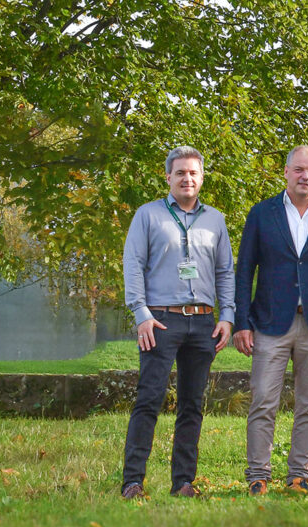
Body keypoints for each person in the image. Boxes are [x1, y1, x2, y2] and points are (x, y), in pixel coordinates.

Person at [233, 145, 308, 496]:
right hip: (270, 322)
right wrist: (242, 321)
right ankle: (258, 474)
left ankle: (300, 473)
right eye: (299, 170)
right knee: (263, 400)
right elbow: (244, 271)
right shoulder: (262, 213)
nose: (305, 177)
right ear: (285, 171)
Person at [121, 146, 235, 499]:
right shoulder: (147, 215)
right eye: (181, 173)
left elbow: (225, 271)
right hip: (160, 322)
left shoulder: (215, 219)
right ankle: (133, 482)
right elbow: (133, 264)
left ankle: (183, 481)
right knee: (149, 400)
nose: (187, 179)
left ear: (202, 178)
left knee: (192, 404)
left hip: (203, 324)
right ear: (168, 177)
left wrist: (227, 316)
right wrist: (141, 314)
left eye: (194, 173)